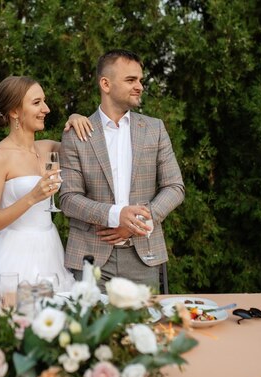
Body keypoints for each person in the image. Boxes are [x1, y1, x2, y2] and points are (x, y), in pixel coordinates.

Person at [59, 49, 185, 291]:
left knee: (146, 326)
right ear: (105, 84)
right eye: (130, 80)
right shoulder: (77, 133)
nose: (139, 86)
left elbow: (175, 187)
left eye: (140, 80)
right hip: (90, 258)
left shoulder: (154, 129)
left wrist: (136, 221)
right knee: (90, 329)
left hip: (143, 256)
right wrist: (116, 215)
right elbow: (68, 199)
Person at [0, 75, 87, 296]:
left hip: (50, 249)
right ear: (14, 111)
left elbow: (87, 149)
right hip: (12, 256)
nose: (46, 108)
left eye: (44, 101)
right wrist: (32, 197)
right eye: (36, 103)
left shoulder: (48, 148)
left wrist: (75, 117)